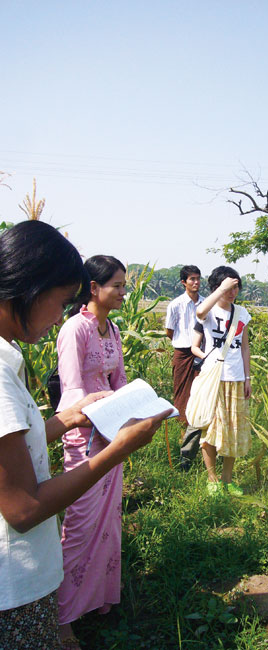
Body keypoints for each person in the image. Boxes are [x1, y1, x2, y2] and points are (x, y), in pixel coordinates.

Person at [0, 221, 171, 650]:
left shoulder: (11, 353)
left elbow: (14, 444)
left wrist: (64, 419)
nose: (61, 315)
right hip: (13, 585)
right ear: (28, 289)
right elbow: (23, 509)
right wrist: (117, 450)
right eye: (59, 301)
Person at [55, 256, 129, 645]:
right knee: (81, 526)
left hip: (112, 433)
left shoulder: (111, 329)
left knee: (109, 522)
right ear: (93, 287)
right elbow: (71, 393)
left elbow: (119, 380)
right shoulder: (74, 329)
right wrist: (100, 414)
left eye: (123, 285)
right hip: (85, 436)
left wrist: (137, 406)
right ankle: (60, 614)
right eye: (116, 285)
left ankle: (97, 599)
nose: (122, 292)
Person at [191, 266, 251, 496]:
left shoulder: (242, 314)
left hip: (236, 378)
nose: (232, 292)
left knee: (234, 430)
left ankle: (227, 480)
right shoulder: (208, 310)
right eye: (228, 287)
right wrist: (221, 289)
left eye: (236, 287)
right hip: (214, 378)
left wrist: (247, 377)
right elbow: (199, 313)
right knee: (211, 428)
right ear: (217, 287)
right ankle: (212, 479)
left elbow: (245, 347)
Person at [165, 265, 204, 470]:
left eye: (198, 278)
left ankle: (200, 441)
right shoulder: (176, 305)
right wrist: (185, 344)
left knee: (199, 394)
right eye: (192, 279)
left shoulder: (207, 304)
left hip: (202, 353)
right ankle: (183, 439)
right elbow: (170, 331)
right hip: (182, 353)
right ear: (183, 282)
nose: (196, 282)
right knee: (182, 394)